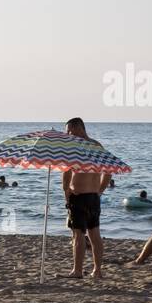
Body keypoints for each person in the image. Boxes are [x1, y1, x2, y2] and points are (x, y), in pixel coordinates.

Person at [62, 118, 110, 279]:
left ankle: (77, 270)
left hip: (79, 196)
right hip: (94, 197)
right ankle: (97, 270)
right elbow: (108, 171)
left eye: (69, 131)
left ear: (79, 129)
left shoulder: (75, 148)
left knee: (78, 235)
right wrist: (100, 190)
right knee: (94, 234)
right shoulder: (97, 146)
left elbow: (67, 172)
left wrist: (66, 191)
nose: (67, 134)